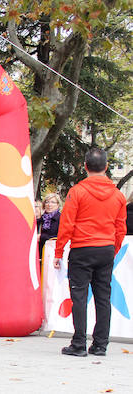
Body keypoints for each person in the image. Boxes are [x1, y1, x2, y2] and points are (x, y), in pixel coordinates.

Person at [55, 148, 127, 357]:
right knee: (103, 297)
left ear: (85, 166)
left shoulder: (77, 192)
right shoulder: (117, 195)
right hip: (105, 249)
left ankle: (78, 343)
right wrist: (112, 248)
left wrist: (59, 251)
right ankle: (100, 344)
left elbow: (66, 225)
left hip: (81, 249)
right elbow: (120, 227)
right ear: (106, 167)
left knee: (79, 296)